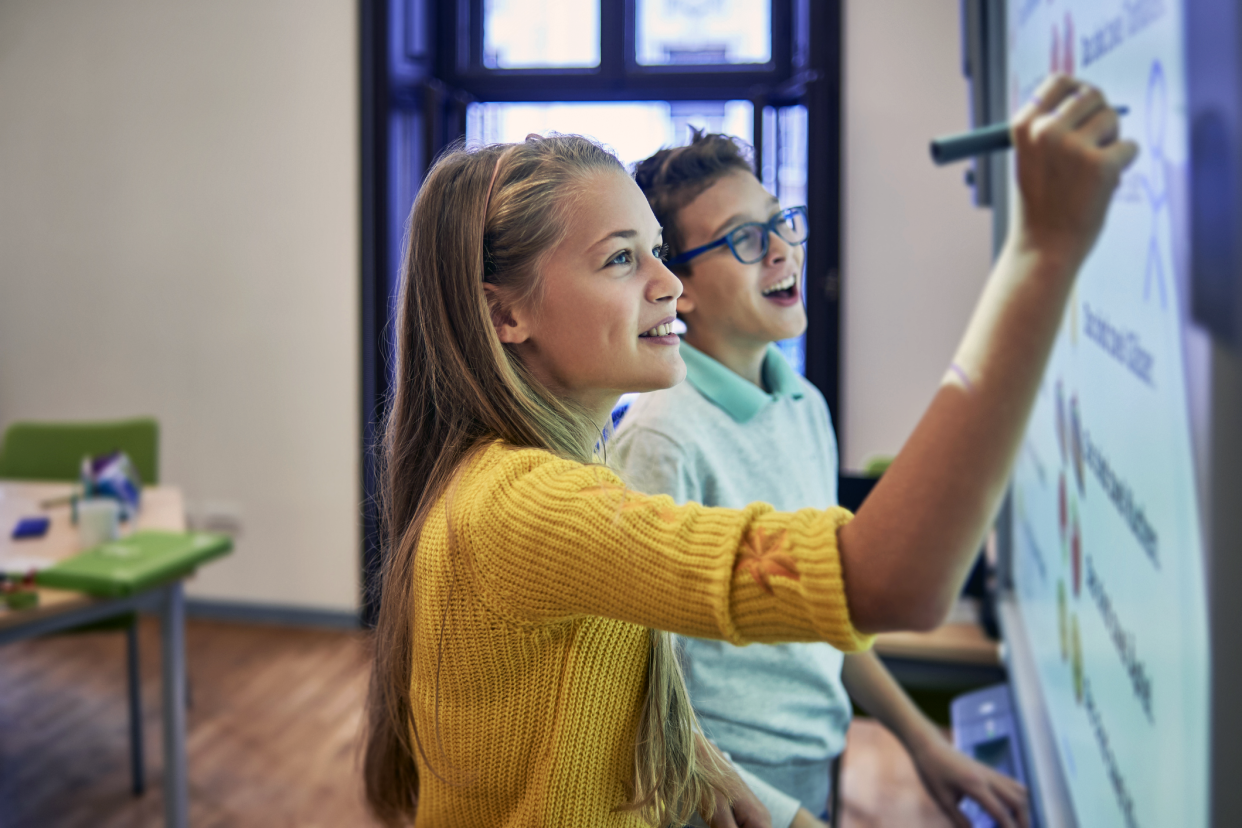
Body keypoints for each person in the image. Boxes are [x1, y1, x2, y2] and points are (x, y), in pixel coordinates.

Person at [362, 75, 1136, 828]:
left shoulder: (547, 477)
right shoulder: (530, 503)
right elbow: (890, 580)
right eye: (620, 259)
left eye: (658, 250)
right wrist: (1042, 252)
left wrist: (709, 766)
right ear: (505, 316)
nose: (669, 284)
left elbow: (594, 701)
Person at [614, 131, 1026, 828]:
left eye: (780, 221)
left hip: (814, 771)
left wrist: (923, 744)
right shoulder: (660, 440)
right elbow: (646, 707)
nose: (781, 250)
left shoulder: (804, 404)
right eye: (744, 238)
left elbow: (829, 612)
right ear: (676, 289)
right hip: (719, 799)